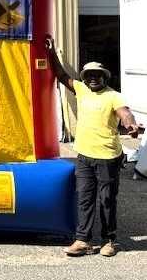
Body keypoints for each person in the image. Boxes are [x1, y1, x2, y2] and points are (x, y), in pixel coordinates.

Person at [45, 35, 140, 257]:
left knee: (107, 199)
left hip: (108, 157)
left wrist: (131, 125)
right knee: (85, 198)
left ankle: (109, 240)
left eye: (97, 75)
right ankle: (83, 240)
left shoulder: (113, 96)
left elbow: (125, 113)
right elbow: (61, 75)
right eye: (89, 75)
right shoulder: (81, 89)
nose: (93, 78)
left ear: (104, 77)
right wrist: (51, 52)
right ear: (85, 79)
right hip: (84, 156)